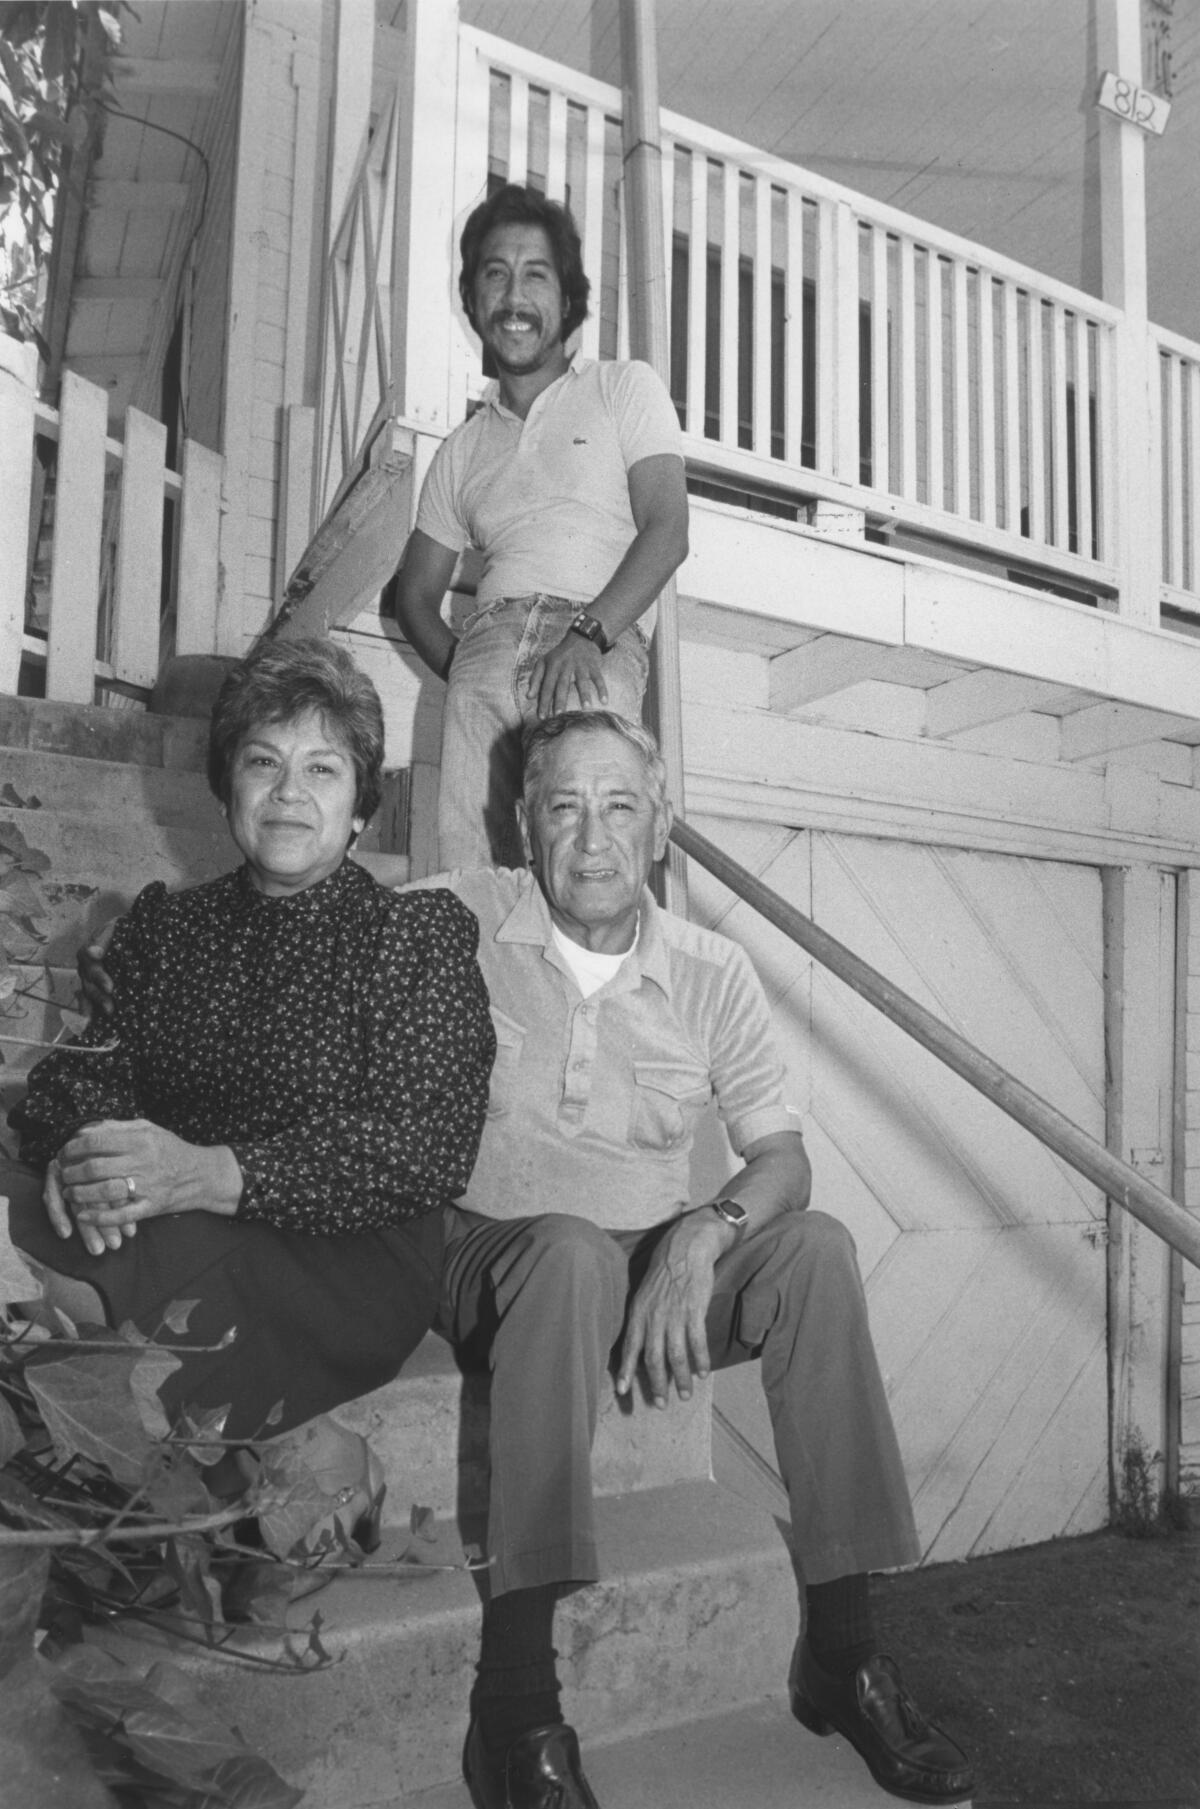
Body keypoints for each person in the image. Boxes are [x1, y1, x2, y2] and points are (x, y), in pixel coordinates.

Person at [74, 708, 974, 1809]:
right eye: (563, 808)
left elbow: (780, 1158)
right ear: (521, 824)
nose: (591, 840)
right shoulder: (449, 919)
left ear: (660, 829)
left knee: (818, 1253)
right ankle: (517, 1708)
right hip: (482, 1254)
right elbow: (304, 912)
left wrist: (707, 1231)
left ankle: (845, 1647)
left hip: (645, 1252)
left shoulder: (713, 971)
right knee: (566, 1256)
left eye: (620, 808)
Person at [5, 636, 495, 1528]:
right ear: (228, 784)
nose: (289, 792)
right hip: (168, 1209)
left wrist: (209, 1171)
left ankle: (283, 1459)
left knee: (62, 1294)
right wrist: (87, 1158)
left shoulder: (412, 938)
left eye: (324, 768)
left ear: (359, 808)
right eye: (263, 762)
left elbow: (426, 1146)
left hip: (348, 1247)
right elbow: (78, 1083)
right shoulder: (168, 927)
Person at [387, 183, 689, 871]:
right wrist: (466, 665)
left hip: (596, 638)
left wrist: (590, 634)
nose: (514, 296)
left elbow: (668, 529)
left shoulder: (622, 388)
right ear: (474, 301)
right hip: (487, 642)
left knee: (590, 860)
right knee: (472, 879)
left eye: (535, 275)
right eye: (495, 274)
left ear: (568, 297)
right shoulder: (462, 448)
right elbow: (413, 595)